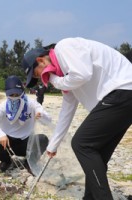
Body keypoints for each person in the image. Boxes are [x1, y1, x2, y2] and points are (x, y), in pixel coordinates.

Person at [22, 37, 132, 200]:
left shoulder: (64, 48)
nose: (41, 79)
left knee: (82, 144)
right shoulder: (67, 78)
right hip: (123, 98)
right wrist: (53, 145)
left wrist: (54, 80)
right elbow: (66, 112)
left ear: (40, 60)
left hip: (122, 90)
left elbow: (82, 74)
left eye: (37, 75)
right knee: (97, 155)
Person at [0, 75, 51, 173]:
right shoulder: (3, 106)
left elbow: (48, 119)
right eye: (11, 94)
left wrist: (41, 114)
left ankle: (30, 161)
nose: (14, 97)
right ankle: (6, 161)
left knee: (43, 139)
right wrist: (1, 135)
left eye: (17, 94)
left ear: (22, 91)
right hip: (9, 143)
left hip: (26, 143)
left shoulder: (31, 103)